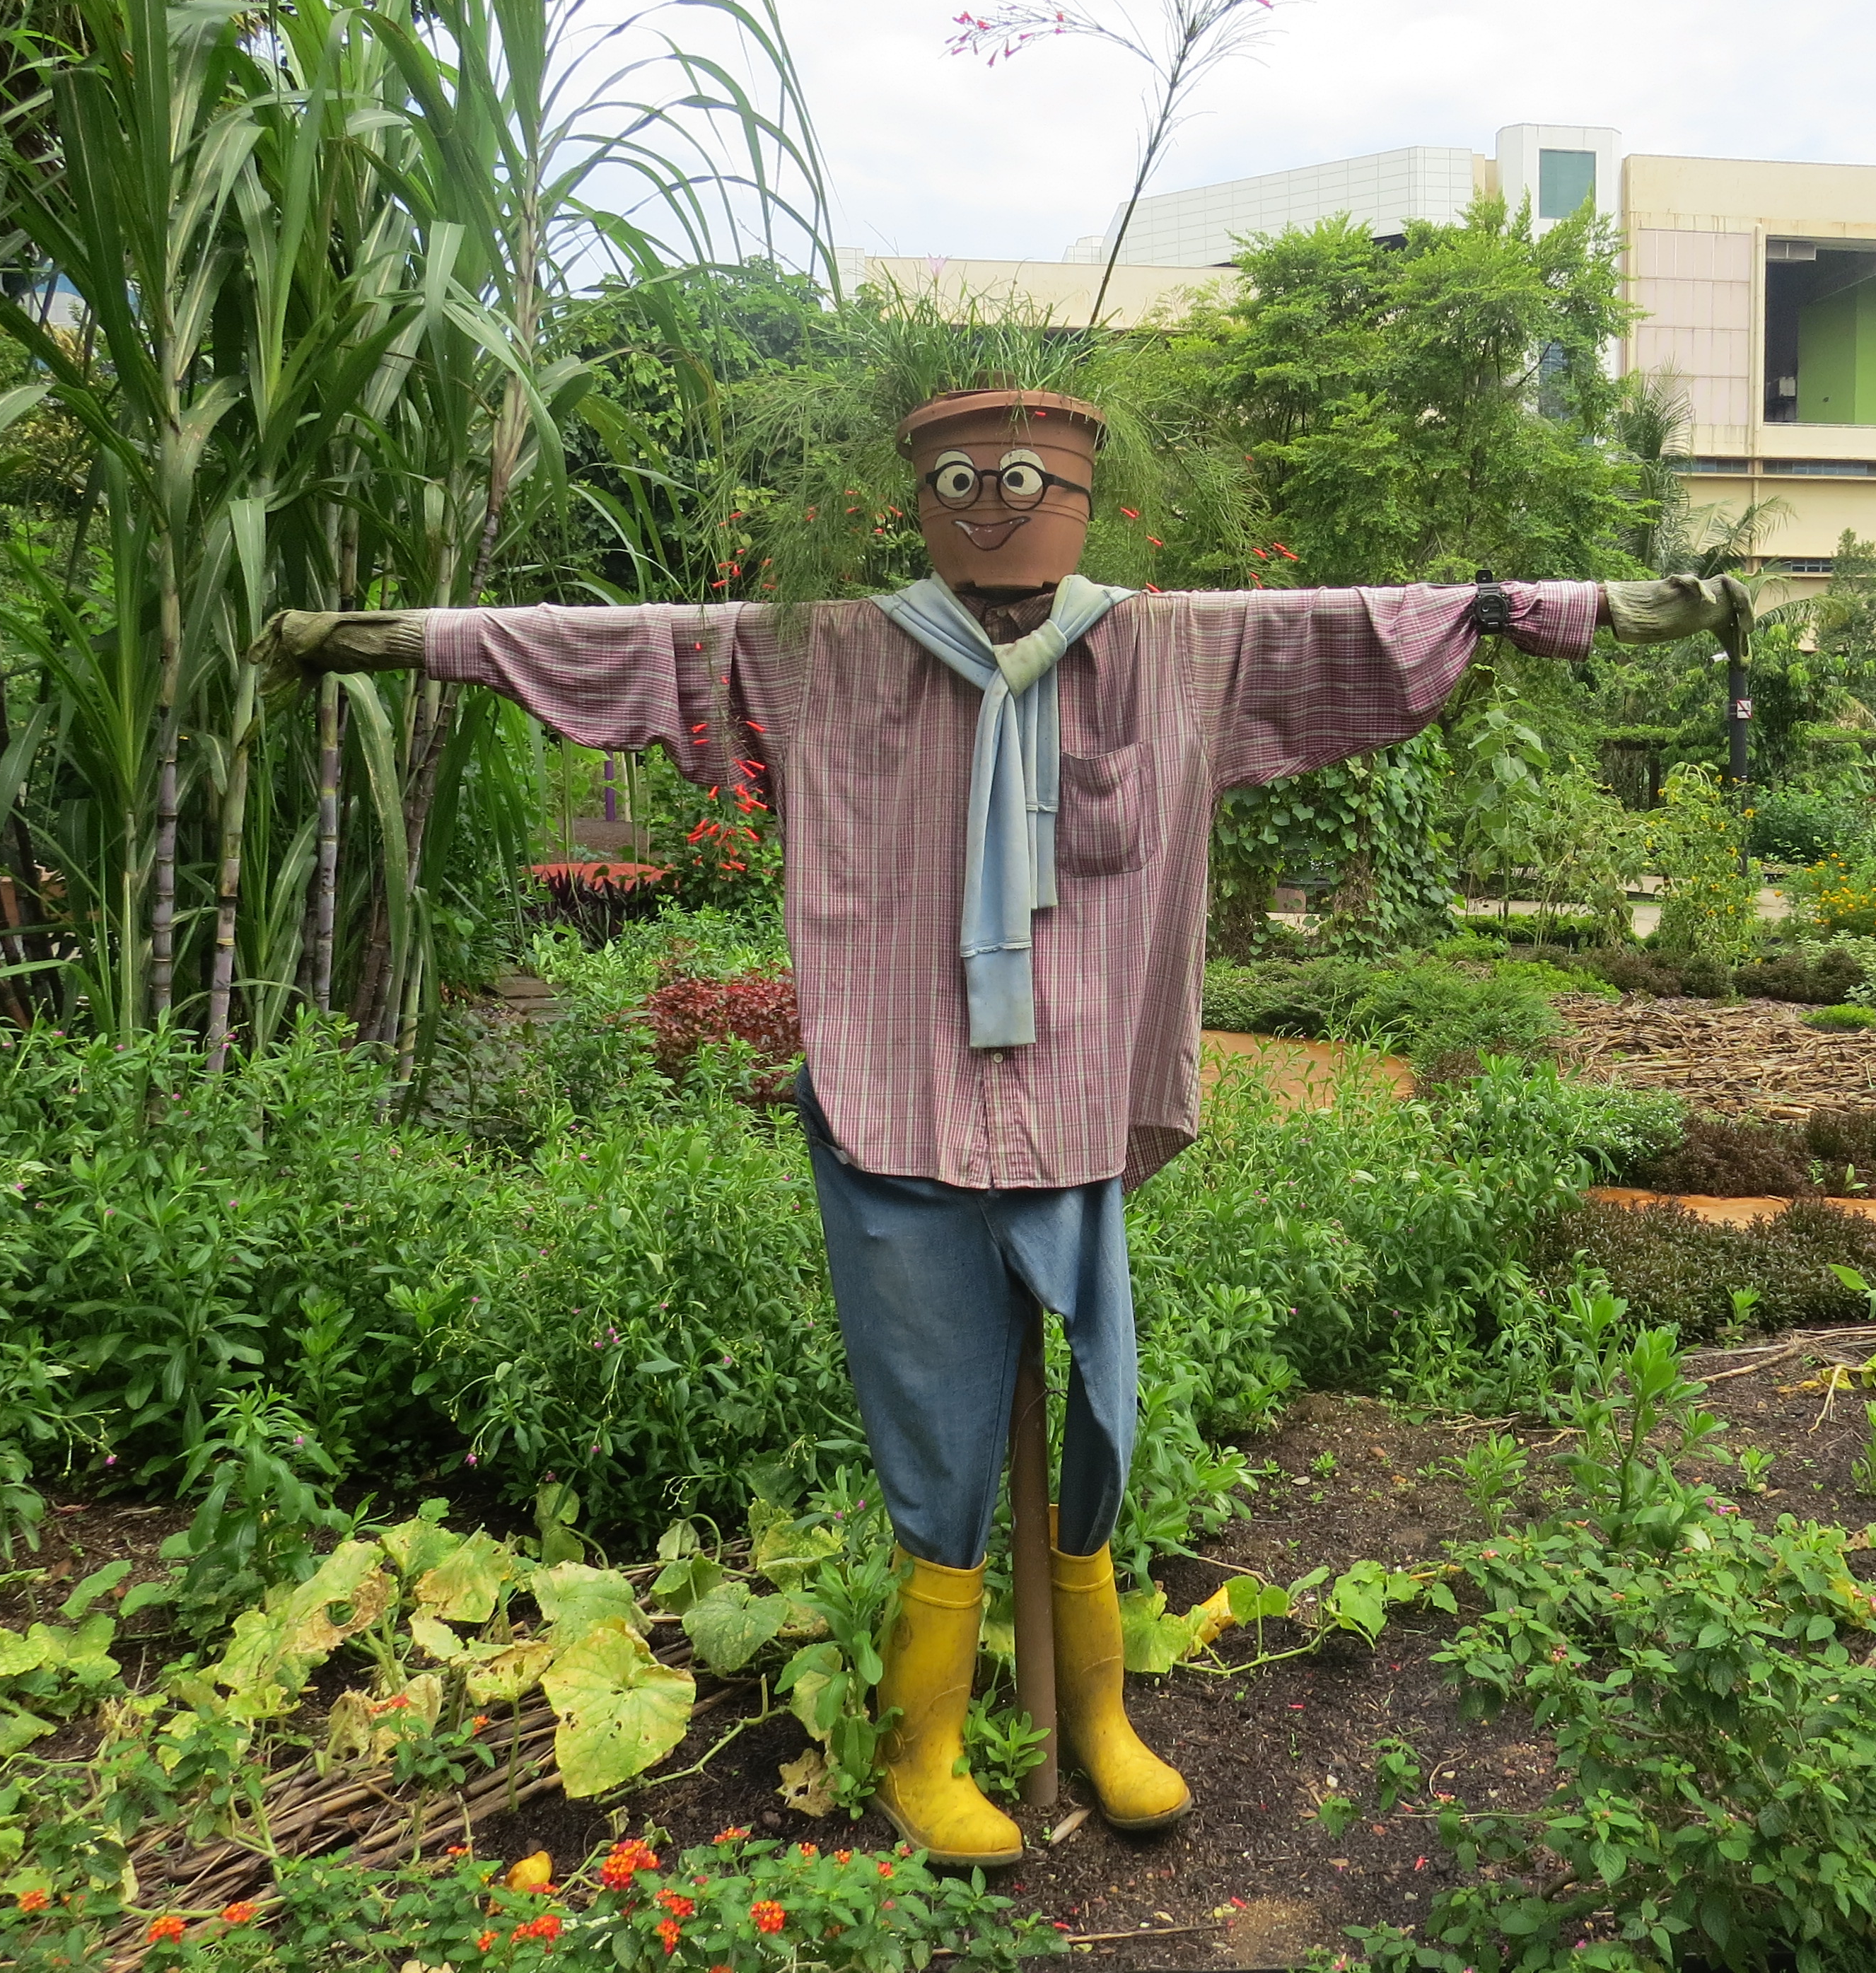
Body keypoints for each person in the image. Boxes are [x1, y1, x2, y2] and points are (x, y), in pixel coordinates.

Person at [252, 384, 1740, 1868]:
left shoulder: (1170, 647)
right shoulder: (829, 654)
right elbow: (613, 646)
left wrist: (1594, 608)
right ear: (920, 493)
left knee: (1100, 1407)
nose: (992, 502)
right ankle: (923, 1744)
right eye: (961, 477)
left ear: (1078, 493)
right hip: (894, 1093)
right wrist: (371, 642)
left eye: (1022, 476)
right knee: (935, 1423)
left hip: (1076, 1097)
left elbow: (1378, 624)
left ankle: (1090, 1716)